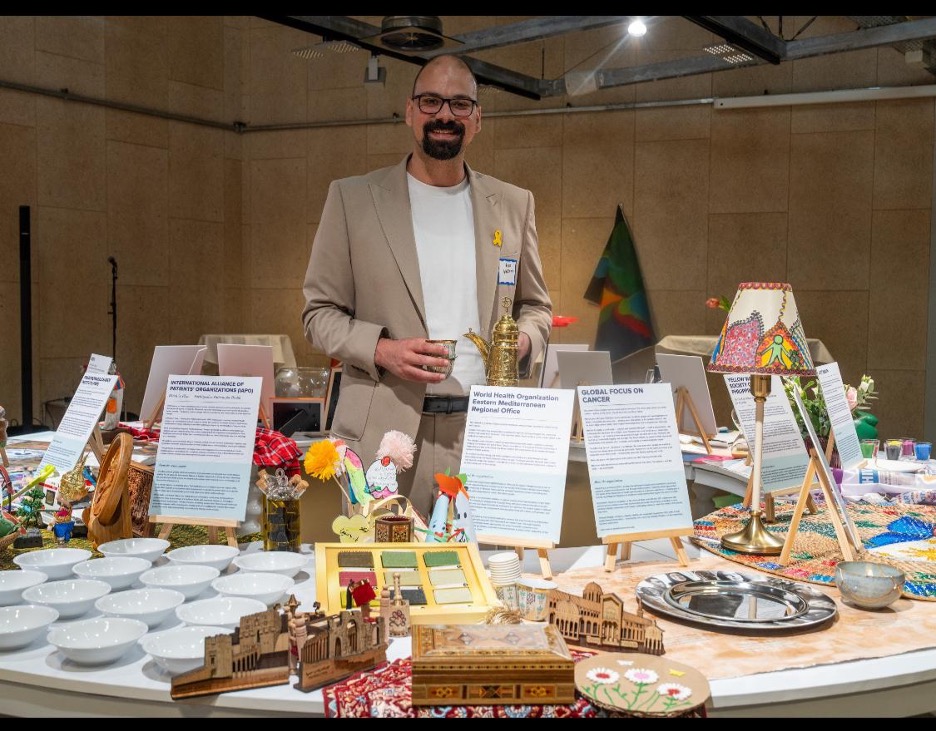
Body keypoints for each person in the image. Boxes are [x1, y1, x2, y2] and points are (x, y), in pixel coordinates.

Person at [301, 54, 552, 518]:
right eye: (431, 101)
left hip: (486, 432)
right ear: (410, 111)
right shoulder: (352, 199)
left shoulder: (514, 205)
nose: (444, 115)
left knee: (483, 577)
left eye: (460, 104)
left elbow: (536, 306)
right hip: (384, 434)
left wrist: (522, 340)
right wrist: (382, 349)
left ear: (477, 119)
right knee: (380, 580)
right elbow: (318, 315)